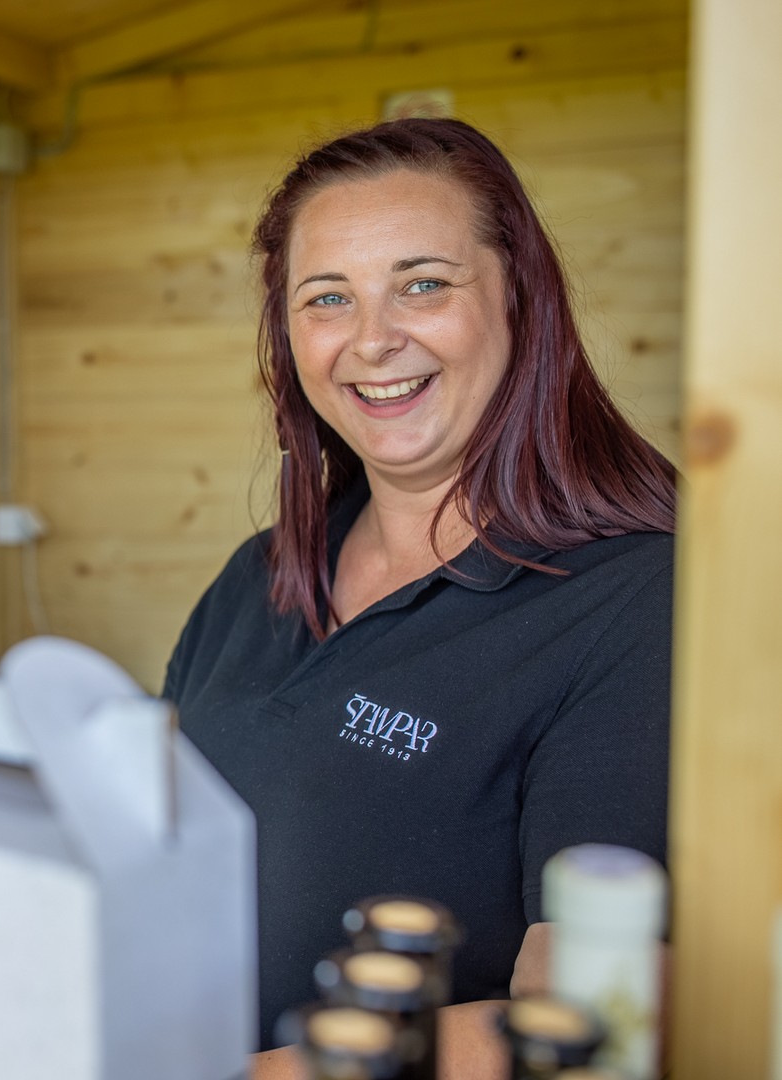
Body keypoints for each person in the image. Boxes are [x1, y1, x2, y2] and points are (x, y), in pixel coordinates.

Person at [160, 117, 676, 1075]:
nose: (372, 339)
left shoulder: (634, 600)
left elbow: (590, 1005)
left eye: (423, 284)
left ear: (520, 299)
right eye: (327, 298)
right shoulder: (258, 572)